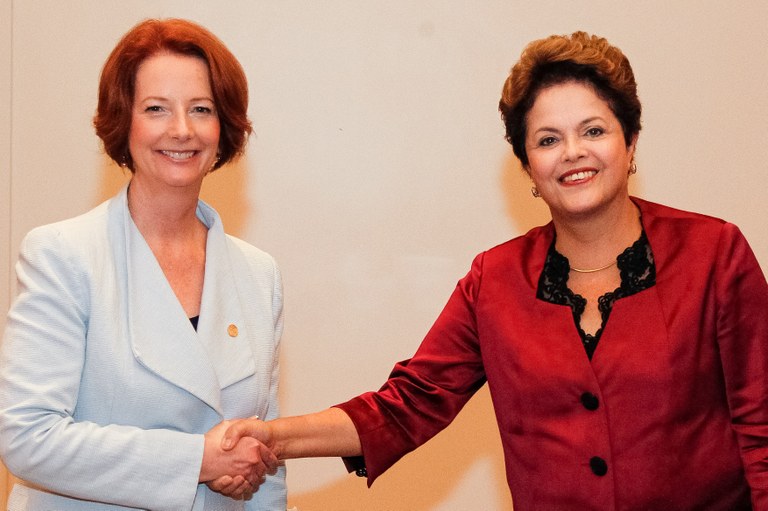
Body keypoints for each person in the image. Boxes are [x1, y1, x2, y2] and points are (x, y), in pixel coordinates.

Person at [217, 31, 768, 509]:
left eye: (594, 131)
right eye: (548, 140)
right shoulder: (494, 280)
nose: (572, 152)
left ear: (631, 142)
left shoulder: (714, 253)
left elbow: (761, 428)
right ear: (528, 166)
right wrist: (269, 438)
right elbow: (408, 405)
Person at [0, 18, 285, 510]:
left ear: (224, 127)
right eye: (156, 108)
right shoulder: (63, 254)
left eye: (201, 109)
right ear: (122, 122)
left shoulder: (260, 275)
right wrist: (197, 461)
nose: (182, 129)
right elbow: (27, 436)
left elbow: (263, 457)